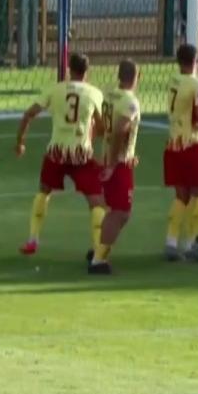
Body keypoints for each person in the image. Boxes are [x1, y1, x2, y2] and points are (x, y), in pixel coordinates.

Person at [16, 52, 107, 258]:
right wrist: (91, 131)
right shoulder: (94, 93)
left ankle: (32, 240)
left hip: (56, 152)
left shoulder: (55, 90)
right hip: (80, 154)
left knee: (44, 192)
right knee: (96, 202)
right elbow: (103, 128)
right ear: (87, 71)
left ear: (69, 70)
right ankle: (99, 251)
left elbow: (28, 114)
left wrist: (20, 142)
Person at [90, 59, 142, 276]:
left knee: (116, 210)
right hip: (118, 163)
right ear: (137, 77)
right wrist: (114, 162)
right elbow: (121, 130)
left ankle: (99, 250)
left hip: (112, 157)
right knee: (120, 212)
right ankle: (98, 259)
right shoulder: (130, 101)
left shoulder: (109, 97)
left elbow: (101, 128)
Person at [163, 43, 198, 262]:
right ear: (196, 61)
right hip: (192, 143)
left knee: (181, 195)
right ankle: (194, 244)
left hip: (173, 144)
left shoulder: (173, 81)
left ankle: (171, 243)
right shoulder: (197, 84)